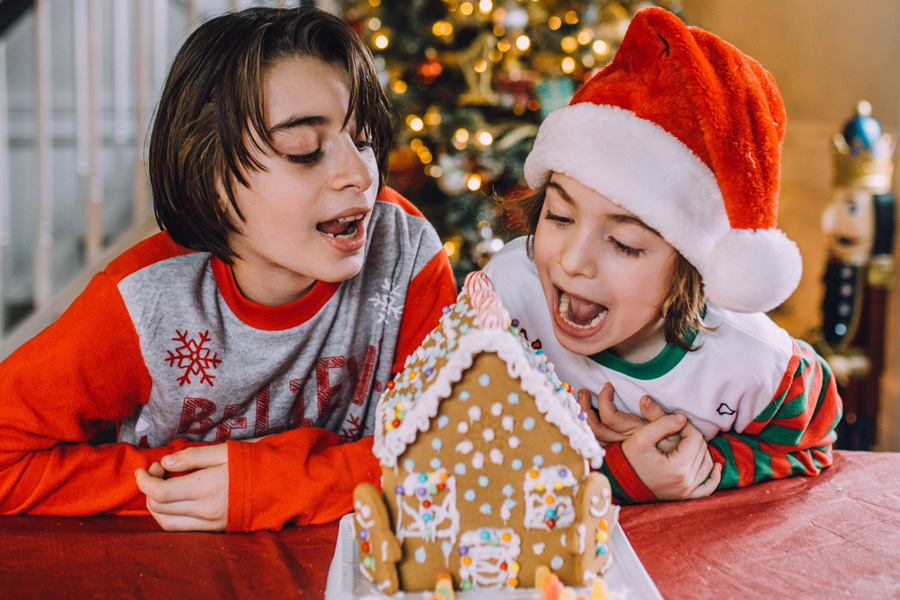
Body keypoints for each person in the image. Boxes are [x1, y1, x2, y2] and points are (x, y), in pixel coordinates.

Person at [0, 6, 456, 531]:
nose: (358, 174)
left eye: (365, 141)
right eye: (304, 150)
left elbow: (453, 448)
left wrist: (268, 483)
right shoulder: (144, 302)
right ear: (212, 179)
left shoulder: (408, 255)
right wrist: (176, 488)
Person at [484, 7, 842, 504]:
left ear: (690, 269)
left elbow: (814, 435)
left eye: (625, 244)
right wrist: (614, 473)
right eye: (560, 218)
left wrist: (708, 463)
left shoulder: (750, 361)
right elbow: (467, 453)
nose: (572, 261)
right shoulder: (503, 296)